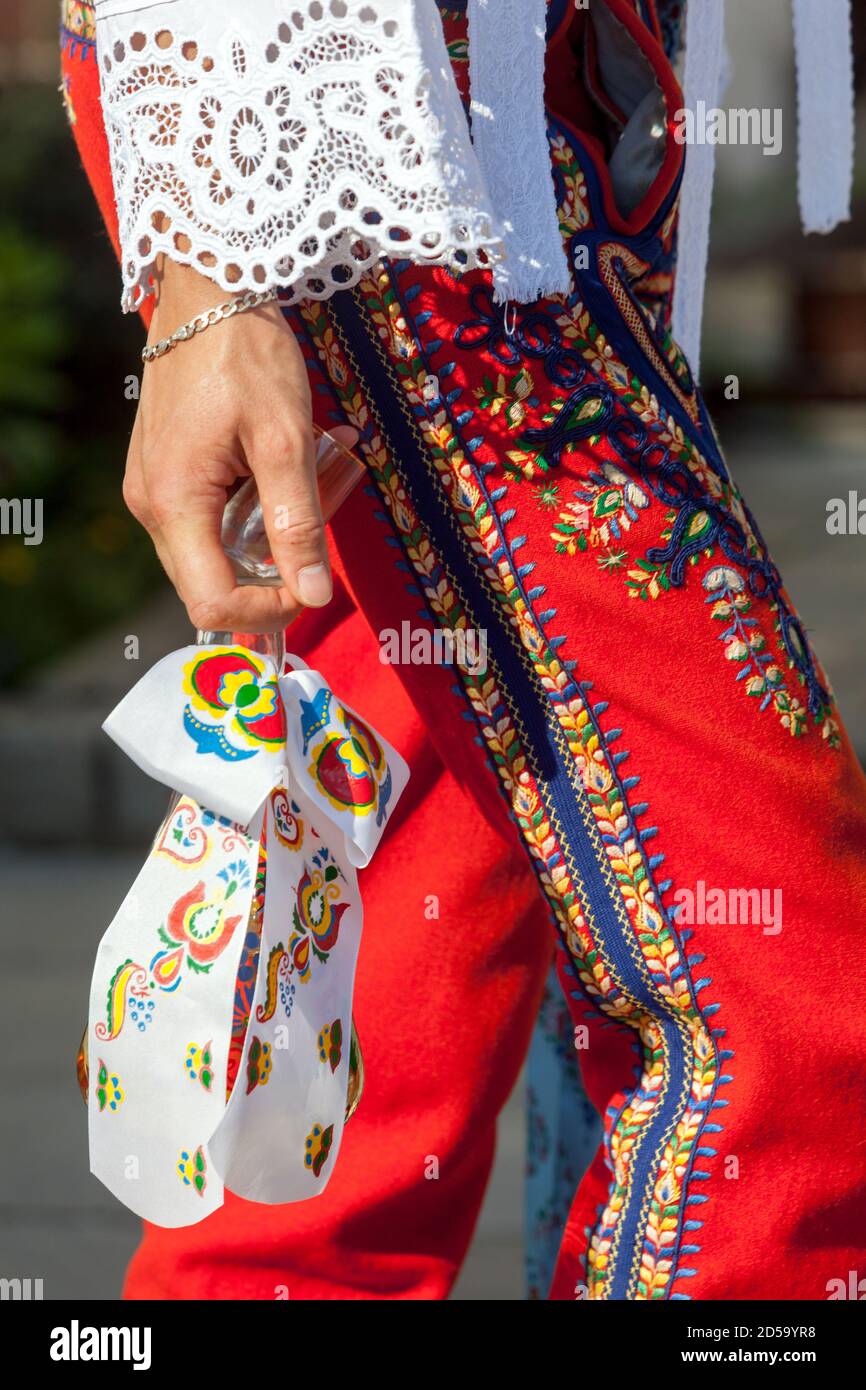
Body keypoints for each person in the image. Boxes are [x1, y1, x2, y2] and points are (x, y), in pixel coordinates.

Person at [63, 0, 866, 1301]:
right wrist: (215, 272)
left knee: (373, 878)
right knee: (777, 993)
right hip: (351, 131)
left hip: (500, 118)